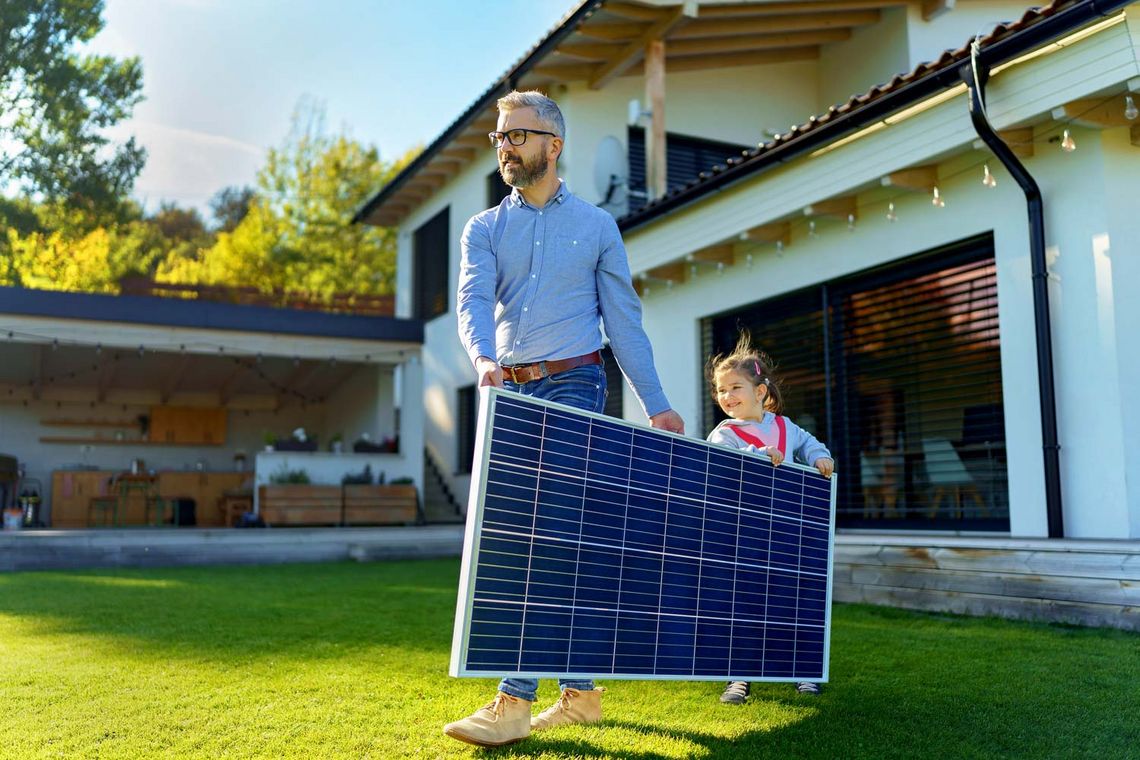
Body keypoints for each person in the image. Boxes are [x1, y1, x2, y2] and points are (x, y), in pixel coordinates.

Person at [446, 89, 685, 748]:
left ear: (554, 144)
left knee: (550, 536)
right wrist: (484, 361)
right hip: (512, 392)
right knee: (546, 540)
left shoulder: (598, 227)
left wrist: (656, 403)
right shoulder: (485, 229)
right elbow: (470, 301)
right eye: (499, 137)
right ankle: (579, 695)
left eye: (517, 135)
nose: (504, 146)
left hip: (578, 384)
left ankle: (514, 701)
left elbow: (624, 322)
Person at [705, 331, 834, 704]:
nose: (726, 396)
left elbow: (810, 444)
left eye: (735, 387)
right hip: (745, 535)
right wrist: (756, 453)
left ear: (760, 392)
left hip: (787, 533)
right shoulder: (724, 434)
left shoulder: (785, 426)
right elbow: (726, 466)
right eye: (721, 390)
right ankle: (738, 676)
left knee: (793, 600)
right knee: (744, 603)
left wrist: (819, 457)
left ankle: (804, 671)